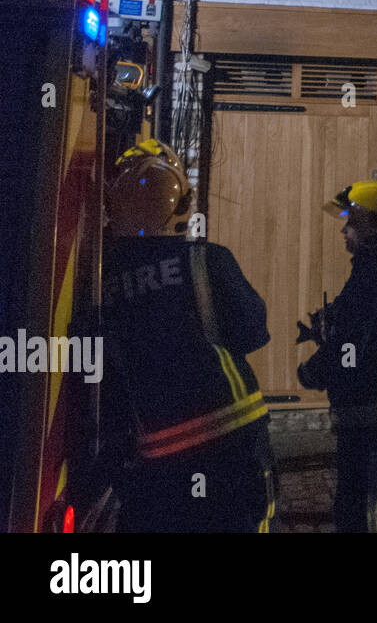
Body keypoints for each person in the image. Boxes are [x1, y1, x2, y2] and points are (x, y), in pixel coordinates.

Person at [100, 139, 277, 532]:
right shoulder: (208, 260)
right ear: (181, 206)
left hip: (159, 453)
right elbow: (253, 332)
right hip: (233, 436)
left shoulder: (101, 281)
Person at [298, 179, 377, 532]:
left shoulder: (371, 279)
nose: (344, 229)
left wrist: (312, 371)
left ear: (374, 225)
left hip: (372, 415)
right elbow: (360, 324)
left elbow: (349, 348)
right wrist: (333, 318)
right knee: (371, 502)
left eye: (351, 221)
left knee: (365, 513)